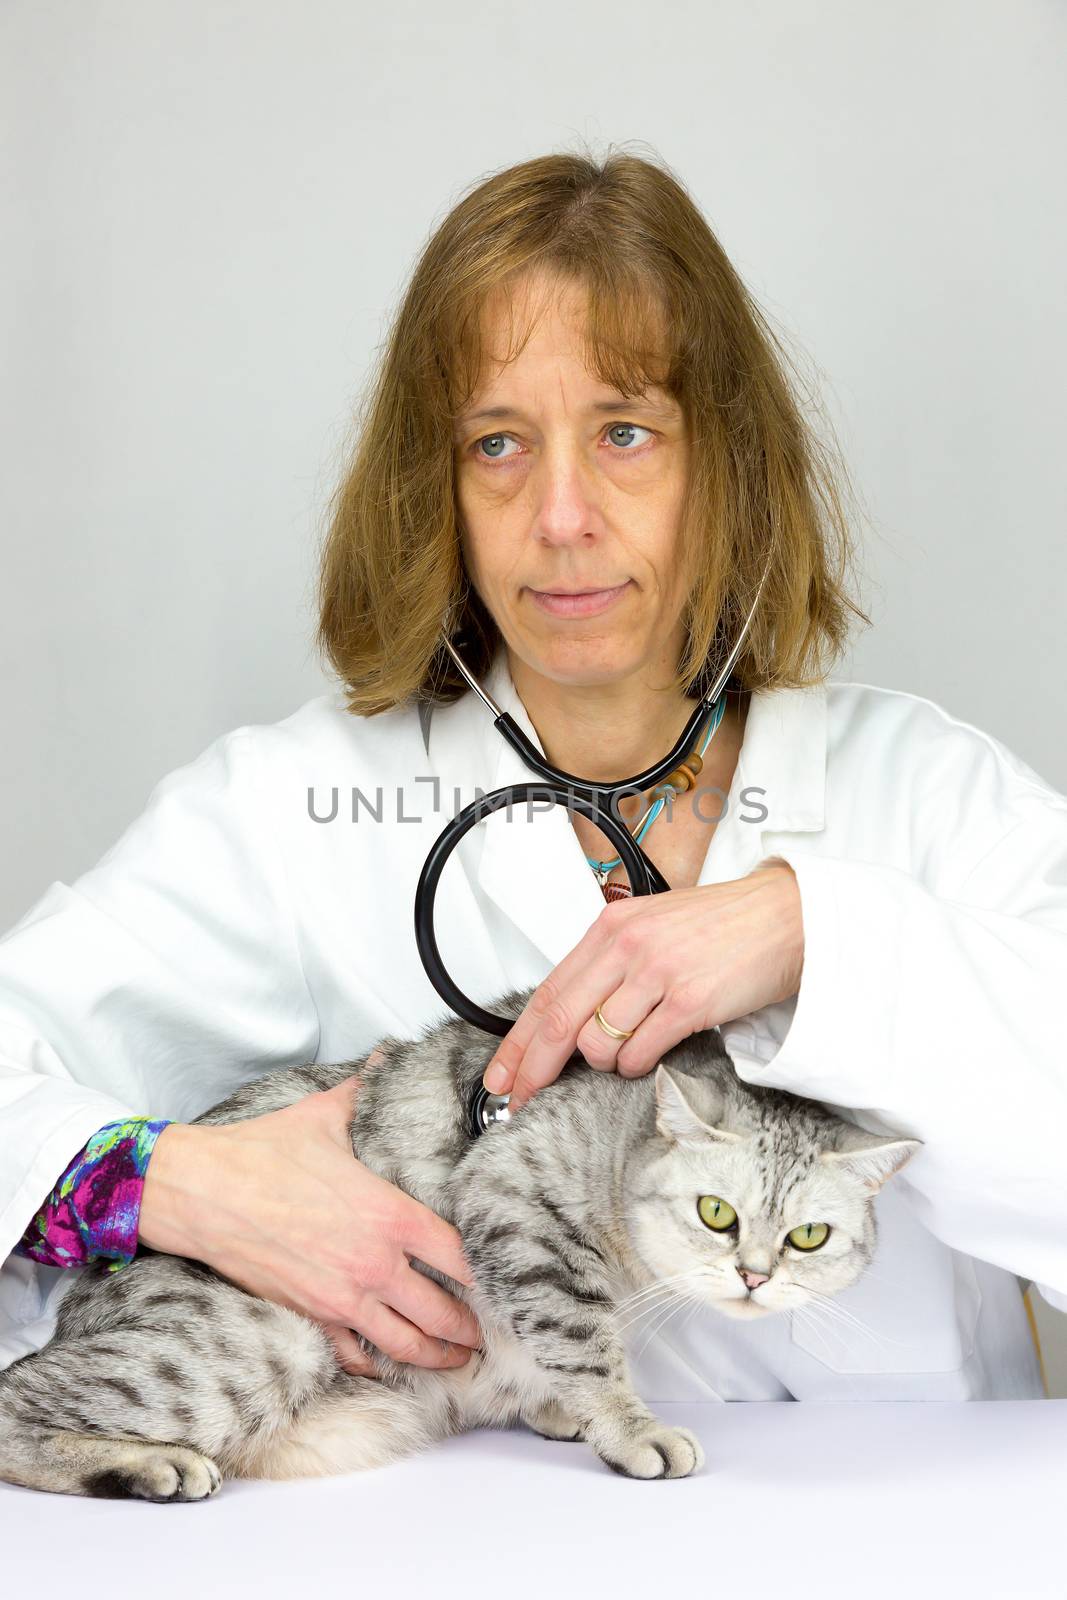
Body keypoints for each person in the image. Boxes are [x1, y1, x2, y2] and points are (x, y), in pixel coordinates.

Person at [2, 148, 1064, 1402]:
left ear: (722, 465)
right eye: (497, 444)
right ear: (435, 488)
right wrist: (172, 1183)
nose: (560, 514)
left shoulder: (930, 793)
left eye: (624, 433)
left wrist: (813, 935)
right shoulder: (293, 808)